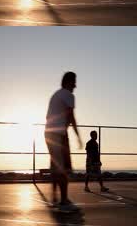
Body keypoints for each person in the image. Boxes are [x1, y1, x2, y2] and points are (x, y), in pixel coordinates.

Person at [45, 71, 83, 212]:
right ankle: (64, 202)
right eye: (74, 82)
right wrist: (78, 137)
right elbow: (71, 117)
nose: (75, 85)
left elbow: (50, 116)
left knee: (56, 166)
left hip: (49, 133)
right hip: (58, 134)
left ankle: (55, 197)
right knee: (64, 168)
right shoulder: (68, 95)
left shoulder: (56, 94)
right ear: (68, 82)